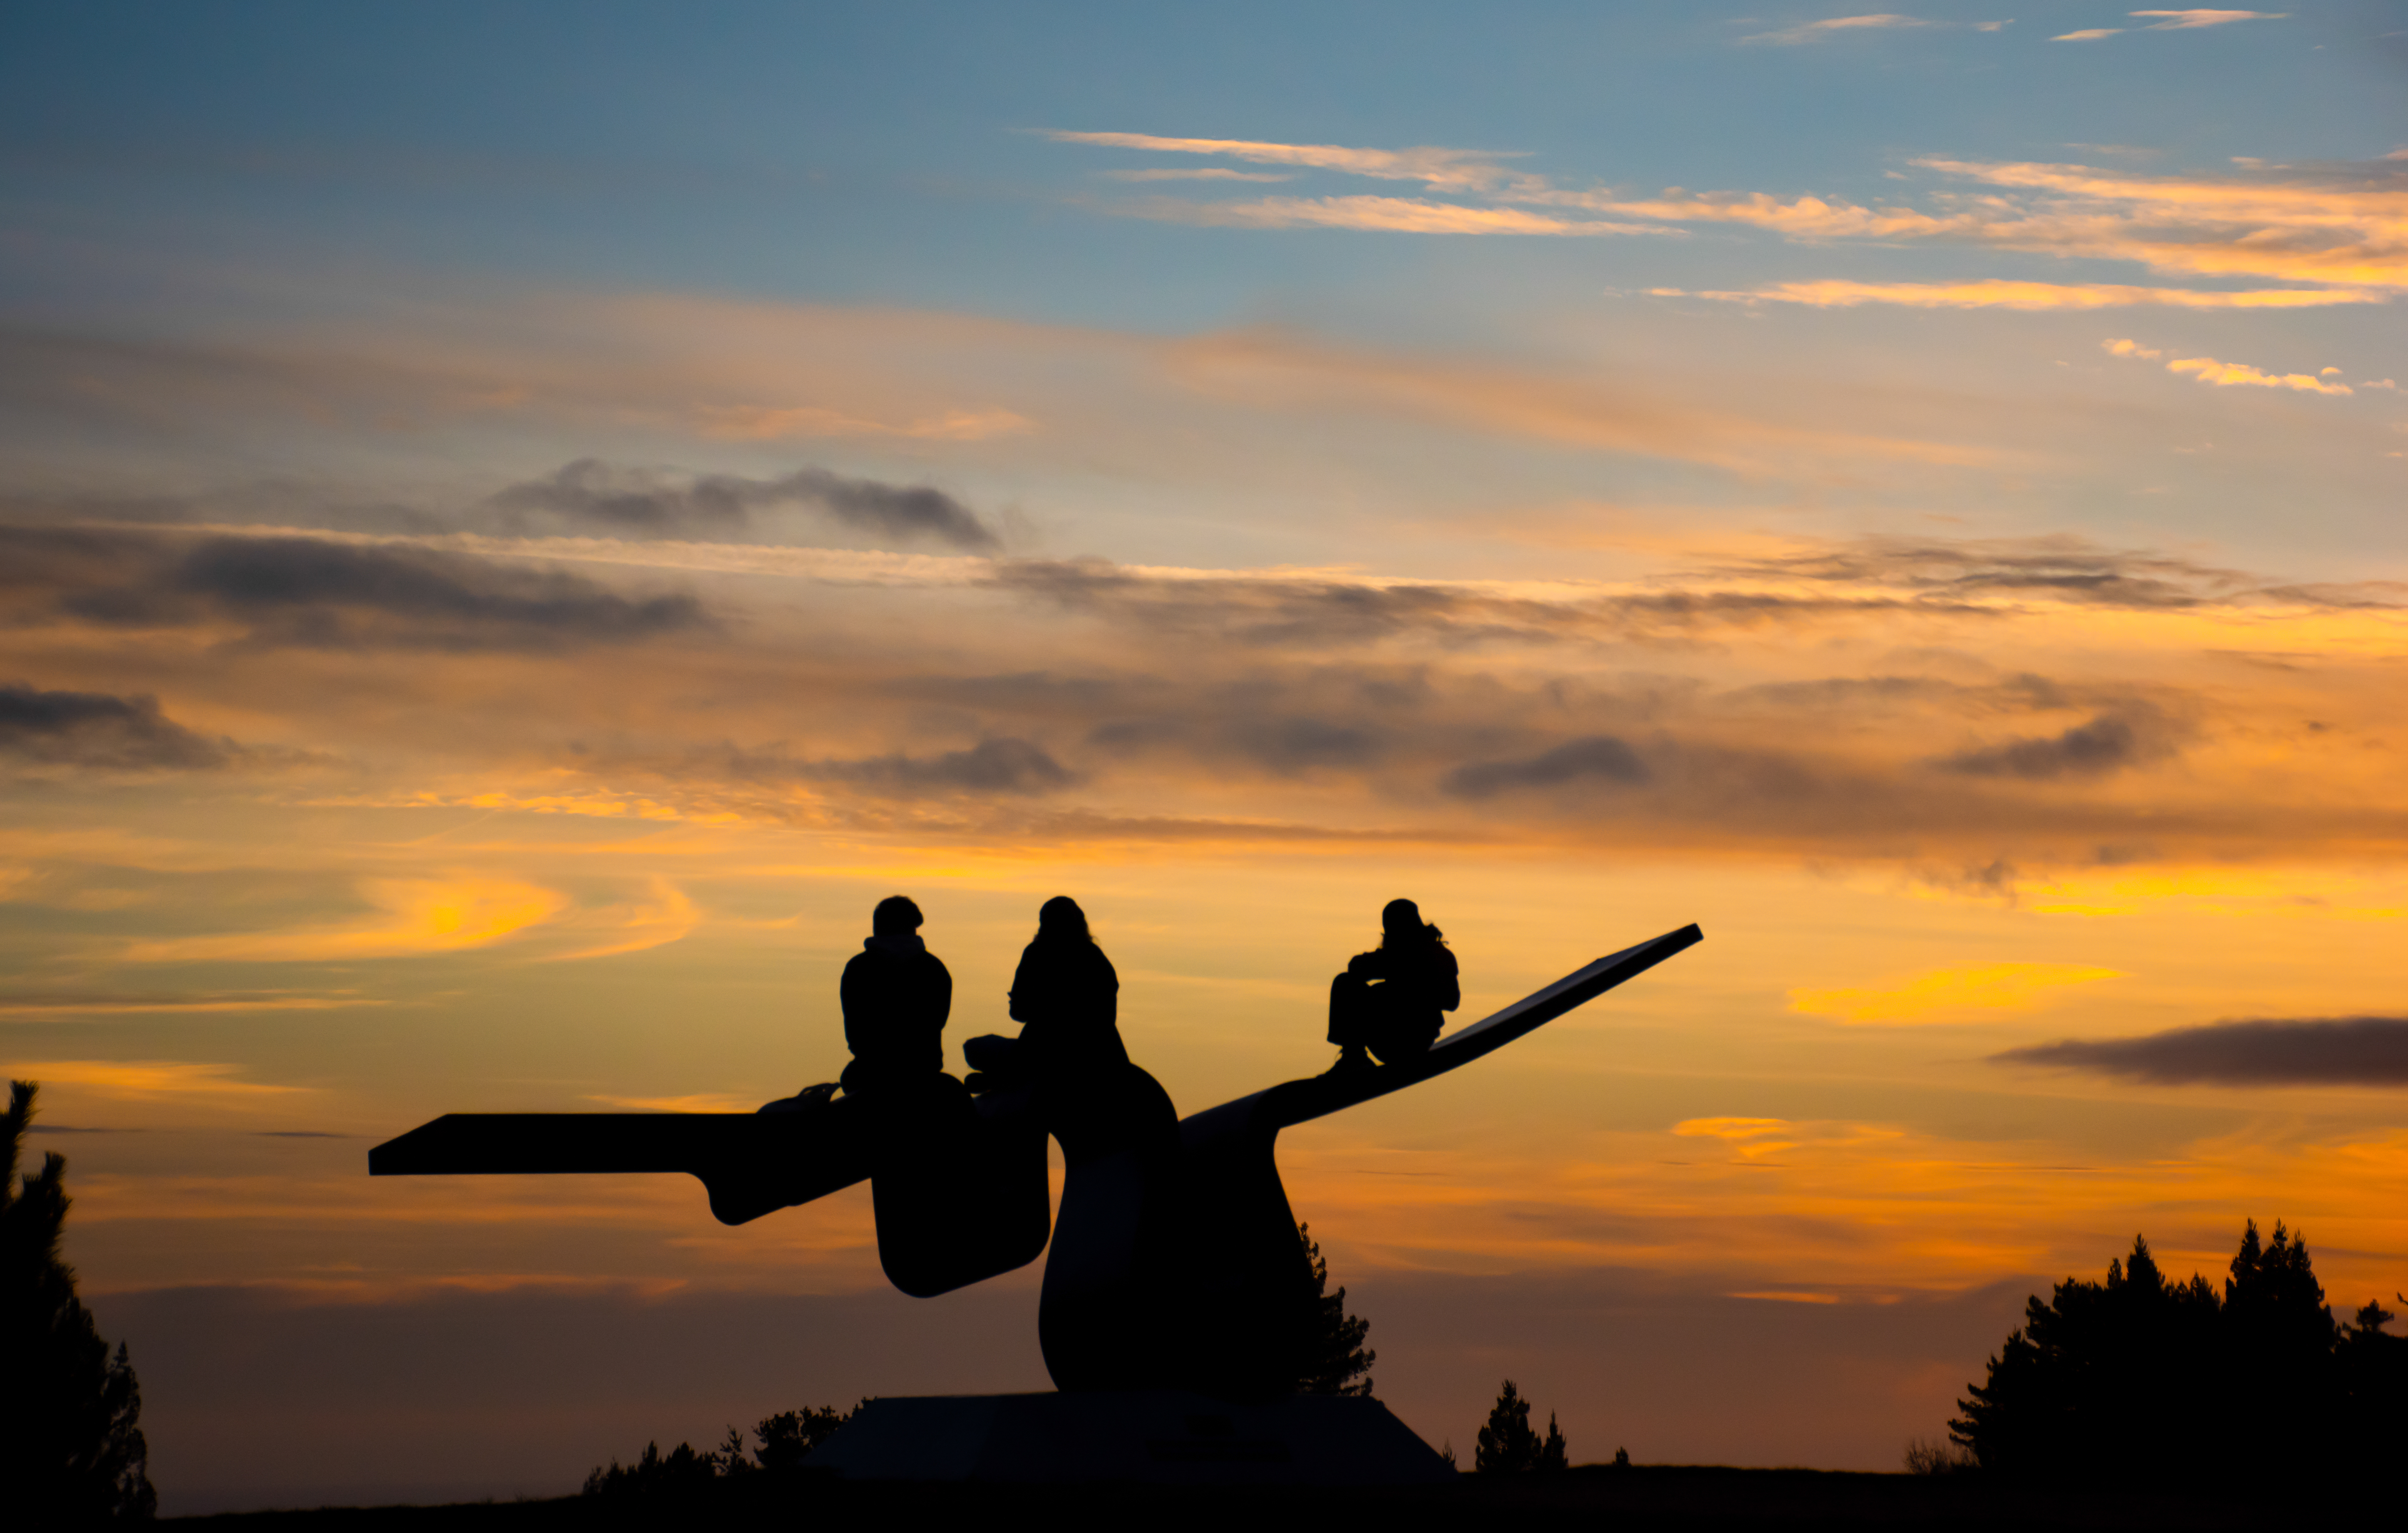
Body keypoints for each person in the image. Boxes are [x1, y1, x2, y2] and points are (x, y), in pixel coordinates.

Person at [999, 895, 1128, 1077]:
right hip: (1103, 1050)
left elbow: (1019, 1013)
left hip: (1043, 1046)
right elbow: (1108, 1015)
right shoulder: (1095, 957)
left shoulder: (1036, 954)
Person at [838, 895, 952, 1097]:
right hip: (924, 1068)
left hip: (871, 1071)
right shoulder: (934, 968)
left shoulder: (859, 967)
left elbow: (855, 1029)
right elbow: (937, 1023)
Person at [1327, 898, 1458, 1074]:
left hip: (1405, 1039)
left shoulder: (1409, 955)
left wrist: (1415, 992)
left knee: (1345, 983)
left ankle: (1354, 1057)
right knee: (1361, 987)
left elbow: (1356, 968)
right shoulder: (1438, 954)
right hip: (1410, 1039)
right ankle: (1355, 1057)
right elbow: (1452, 1002)